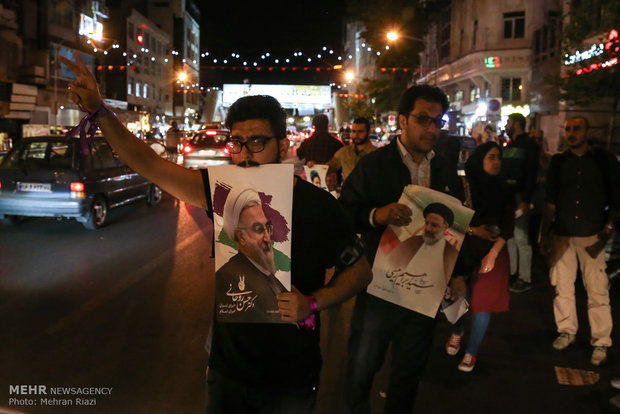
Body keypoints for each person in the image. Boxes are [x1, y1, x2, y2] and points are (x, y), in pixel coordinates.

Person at [60, 52, 373, 413]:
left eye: (257, 141)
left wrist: (312, 303)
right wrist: (100, 112)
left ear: (283, 145)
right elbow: (149, 163)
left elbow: (360, 272)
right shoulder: (223, 191)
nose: (244, 154)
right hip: (227, 370)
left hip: (291, 376)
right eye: (237, 142)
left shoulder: (320, 206)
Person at [339, 84, 465, 414]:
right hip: (379, 287)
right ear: (402, 120)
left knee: (409, 373)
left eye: (439, 121)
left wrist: (459, 273)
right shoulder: (374, 165)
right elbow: (345, 212)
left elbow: (457, 225)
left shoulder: (445, 168)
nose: (432, 128)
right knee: (362, 368)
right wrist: (376, 215)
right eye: (423, 119)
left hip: (425, 291)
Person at [540, 115, 619, 367]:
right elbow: (550, 200)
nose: (571, 133)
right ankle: (567, 330)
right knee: (562, 287)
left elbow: (617, 197)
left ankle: (600, 342)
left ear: (587, 131)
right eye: (568, 129)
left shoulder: (603, 160)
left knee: (597, 289)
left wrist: (607, 229)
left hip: (591, 233)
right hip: (563, 233)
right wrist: (545, 234)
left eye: (577, 129)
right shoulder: (559, 162)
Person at [445, 142, 514, 372]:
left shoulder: (504, 187)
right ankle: (457, 331)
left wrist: (493, 253)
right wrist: (475, 231)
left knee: (482, 304)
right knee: (458, 297)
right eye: (491, 157)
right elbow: (451, 219)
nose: (497, 162)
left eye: (499, 157)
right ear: (479, 159)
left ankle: (471, 351)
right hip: (465, 249)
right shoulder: (464, 185)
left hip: (495, 250)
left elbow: (508, 225)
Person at [216, 187, 287, 324]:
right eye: (259, 230)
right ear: (242, 237)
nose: (267, 238)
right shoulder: (227, 277)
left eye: (267, 228)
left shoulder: (268, 274)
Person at [502, 113, 539, 293]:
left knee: (521, 238)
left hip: (519, 197)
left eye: (508, 122)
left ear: (516, 124)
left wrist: (525, 200)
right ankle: (512, 273)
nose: (506, 125)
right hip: (509, 197)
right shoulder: (511, 145)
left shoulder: (529, 145)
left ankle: (525, 277)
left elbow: (531, 174)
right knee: (510, 237)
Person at [386, 202, 459, 280]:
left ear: (445, 227)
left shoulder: (452, 249)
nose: (428, 228)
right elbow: (391, 264)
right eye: (427, 223)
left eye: (434, 225)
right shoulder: (414, 240)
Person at [327, 117, 377, 185]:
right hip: (348, 193)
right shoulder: (344, 152)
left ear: (369, 132)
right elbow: (329, 167)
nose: (356, 135)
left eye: (360, 131)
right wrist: (314, 166)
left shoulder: (376, 153)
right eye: (353, 131)